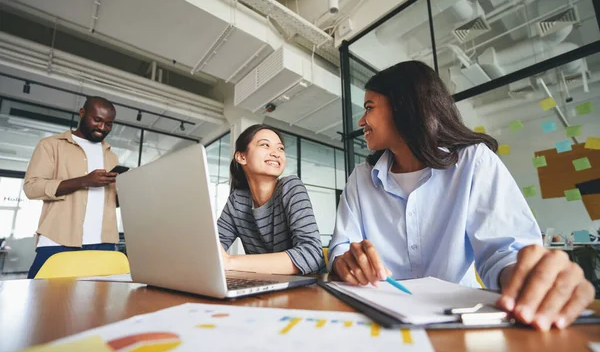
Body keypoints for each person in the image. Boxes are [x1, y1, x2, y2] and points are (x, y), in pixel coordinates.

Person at [328, 61, 594, 331]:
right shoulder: (361, 178)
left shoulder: (473, 161)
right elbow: (340, 250)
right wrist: (346, 263)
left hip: (459, 322)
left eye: (369, 107)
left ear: (403, 105)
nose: (361, 121)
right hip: (377, 318)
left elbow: (504, 252)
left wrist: (529, 278)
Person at [24, 96, 121, 278]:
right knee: (44, 303)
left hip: (104, 242)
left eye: (109, 124)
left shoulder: (112, 157)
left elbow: (109, 201)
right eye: (97, 120)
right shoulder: (50, 145)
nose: (102, 128)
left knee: (99, 305)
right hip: (58, 240)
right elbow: (32, 187)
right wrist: (84, 181)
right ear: (82, 113)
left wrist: (130, 193)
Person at [217, 124, 324, 275]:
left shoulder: (291, 187)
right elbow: (213, 249)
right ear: (242, 157)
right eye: (265, 145)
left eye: (280, 148)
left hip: (309, 288)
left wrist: (230, 262)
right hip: (264, 287)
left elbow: (312, 255)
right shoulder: (237, 201)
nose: (276, 153)